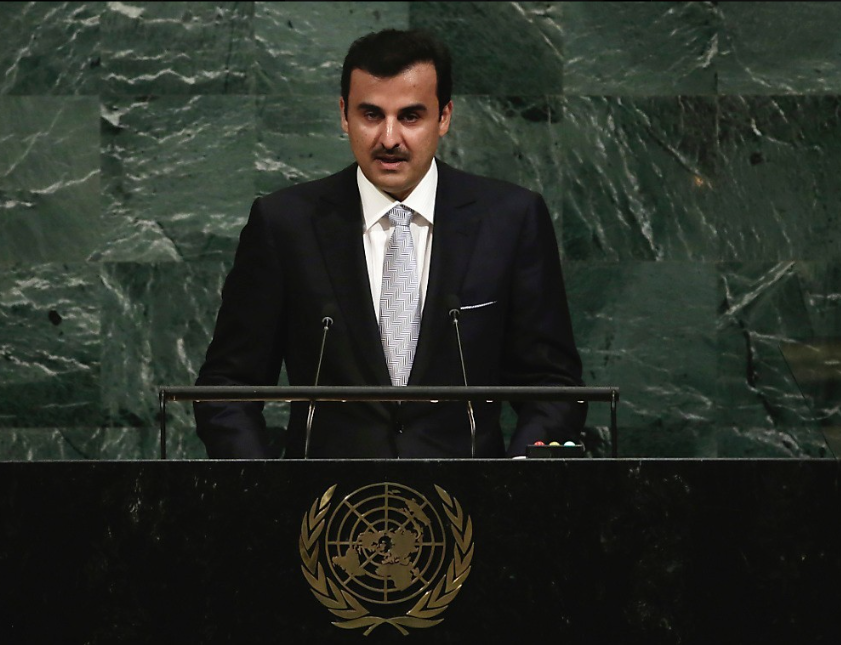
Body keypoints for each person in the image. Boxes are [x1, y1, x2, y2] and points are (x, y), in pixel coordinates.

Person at [194, 29, 587, 459]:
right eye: (371, 114)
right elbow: (227, 388)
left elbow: (553, 386)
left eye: (411, 117)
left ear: (444, 117)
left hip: (470, 495)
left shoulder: (510, 220)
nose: (389, 138)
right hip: (326, 498)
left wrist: (520, 478)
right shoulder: (285, 224)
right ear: (344, 115)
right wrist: (261, 487)